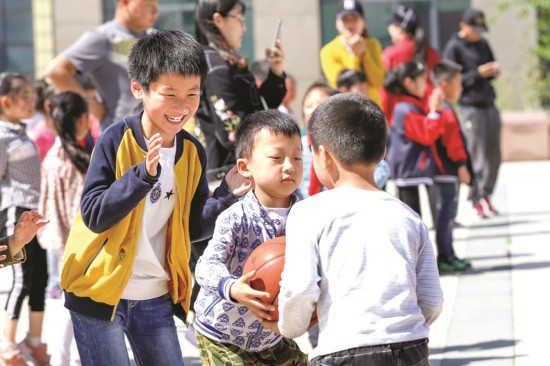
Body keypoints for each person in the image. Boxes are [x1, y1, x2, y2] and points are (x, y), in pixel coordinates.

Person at [59, 30, 251, 366]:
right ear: (139, 88)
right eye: (170, 94)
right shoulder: (114, 140)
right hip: (99, 292)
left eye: (193, 93)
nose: (183, 106)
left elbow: (190, 227)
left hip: (155, 296)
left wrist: (224, 196)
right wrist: (140, 178)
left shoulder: (192, 151)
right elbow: (94, 214)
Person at [269, 93, 443, 365]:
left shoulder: (307, 212)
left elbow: (300, 289)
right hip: (410, 346)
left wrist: (289, 327)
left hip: (344, 349)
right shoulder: (408, 217)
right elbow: (431, 301)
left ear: (323, 155)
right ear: (383, 152)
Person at [193, 109, 308, 365]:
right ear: (245, 167)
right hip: (221, 334)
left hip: (270, 336)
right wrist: (232, 287)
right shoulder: (235, 217)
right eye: (277, 158)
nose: (290, 166)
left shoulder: (306, 218)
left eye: (297, 158)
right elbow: (206, 266)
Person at [194, 0, 287, 174]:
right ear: (218, 19)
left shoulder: (222, 62)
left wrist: (275, 71)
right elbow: (234, 133)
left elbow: (260, 107)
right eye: (239, 19)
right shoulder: (216, 68)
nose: (244, 28)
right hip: (227, 178)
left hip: (235, 171)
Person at [0, 72, 51, 366]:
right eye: (24, 97)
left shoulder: (21, 132)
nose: (31, 102)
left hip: (35, 213)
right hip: (15, 211)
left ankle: (34, 342)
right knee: (21, 280)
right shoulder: (3, 136)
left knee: (40, 279)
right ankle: (8, 346)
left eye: (32, 96)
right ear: (6, 101)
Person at [45, 0, 159, 131]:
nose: (155, 12)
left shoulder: (154, 37)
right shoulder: (104, 38)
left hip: (158, 135)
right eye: (147, 5)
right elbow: (56, 71)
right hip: (120, 135)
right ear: (125, 2)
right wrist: (91, 105)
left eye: (156, 5)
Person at [37, 91, 90, 366]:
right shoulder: (74, 160)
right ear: (82, 119)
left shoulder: (54, 158)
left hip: (61, 242)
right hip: (79, 244)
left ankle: (67, 358)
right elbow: (80, 211)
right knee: (76, 306)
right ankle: (69, 358)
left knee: (71, 304)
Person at [442, 8, 502, 218]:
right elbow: (452, 81)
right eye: (474, 28)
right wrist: (478, 73)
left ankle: (487, 193)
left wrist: (493, 70)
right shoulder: (454, 47)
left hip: (488, 103)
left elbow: (491, 67)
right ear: (463, 26)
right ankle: (475, 197)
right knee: (476, 154)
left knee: (494, 154)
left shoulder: (482, 43)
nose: (478, 33)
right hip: (470, 106)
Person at [383, 61, 444, 216]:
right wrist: (435, 112)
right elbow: (427, 135)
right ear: (409, 83)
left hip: (409, 169)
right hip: (408, 170)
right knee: (412, 217)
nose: (427, 85)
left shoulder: (407, 106)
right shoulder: (405, 109)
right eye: (423, 80)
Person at [430, 60, 473, 273]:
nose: (461, 87)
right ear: (445, 86)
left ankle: (449, 253)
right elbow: (453, 143)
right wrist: (462, 166)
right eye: (459, 83)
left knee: (447, 216)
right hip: (447, 171)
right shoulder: (444, 110)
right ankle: (445, 256)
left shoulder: (443, 107)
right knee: (446, 216)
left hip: (444, 171)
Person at [381, 5, 440, 123]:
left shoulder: (391, 53)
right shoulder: (431, 52)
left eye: (391, 25)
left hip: (399, 119)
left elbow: (384, 91)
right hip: (428, 117)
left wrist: (383, 117)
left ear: (400, 29)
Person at [320, 0, 384, 107]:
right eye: (345, 19)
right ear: (337, 23)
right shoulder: (328, 50)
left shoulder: (373, 45)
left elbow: (379, 80)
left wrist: (365, 54)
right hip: (345, 109)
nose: (350, 24)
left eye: (354, 19)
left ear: (363, 22)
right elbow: (342, 84)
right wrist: (354, 55)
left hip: (374, 107)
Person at [297, 81, 338, 199]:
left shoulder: (342, 142)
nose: (315, 109)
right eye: (309, 106)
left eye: (320, 103)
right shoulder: (298, 145)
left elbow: (381, 168)